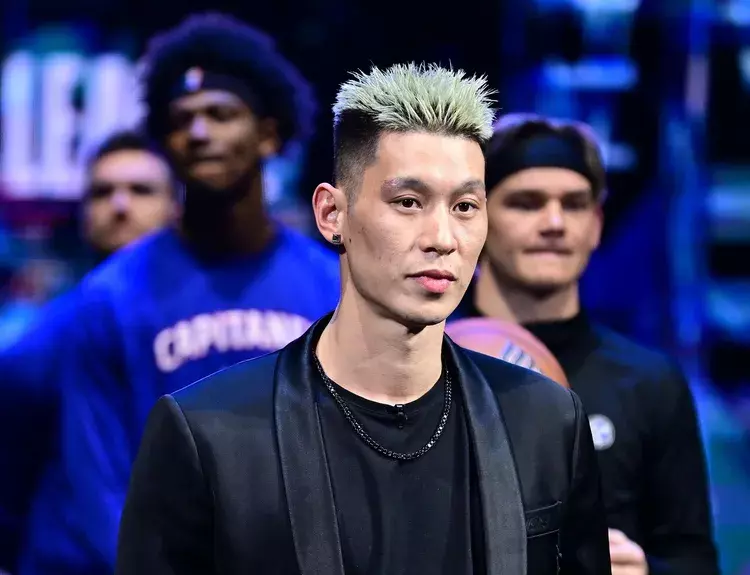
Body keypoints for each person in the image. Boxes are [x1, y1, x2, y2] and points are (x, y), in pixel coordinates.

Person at [116, 62, 611, 575]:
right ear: (332, 214)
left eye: (465, 206)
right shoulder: (207, 433)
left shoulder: (546, 422)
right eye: (408, 202)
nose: (442, 238)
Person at [17, 13, 339, 575]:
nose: (198, 132)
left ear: (268, 134)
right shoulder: (112, 296)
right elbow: (100, 486)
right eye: (181, 120)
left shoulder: (330, 284)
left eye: (220, 114)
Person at [451, 113, 720, 575]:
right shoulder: (423, 366)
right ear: (476, 218)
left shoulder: (649, 384)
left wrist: (647, 570)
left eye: (574, 204)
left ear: (596, 224)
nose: (554, 222)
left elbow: (695, 559)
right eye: (526, 203)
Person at [0, 128, 178, 573]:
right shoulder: (38, 344)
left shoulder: (207, 322)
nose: (120, 205)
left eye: (141, 190)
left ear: (177, 207)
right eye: (102, 192)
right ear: (82, 215)